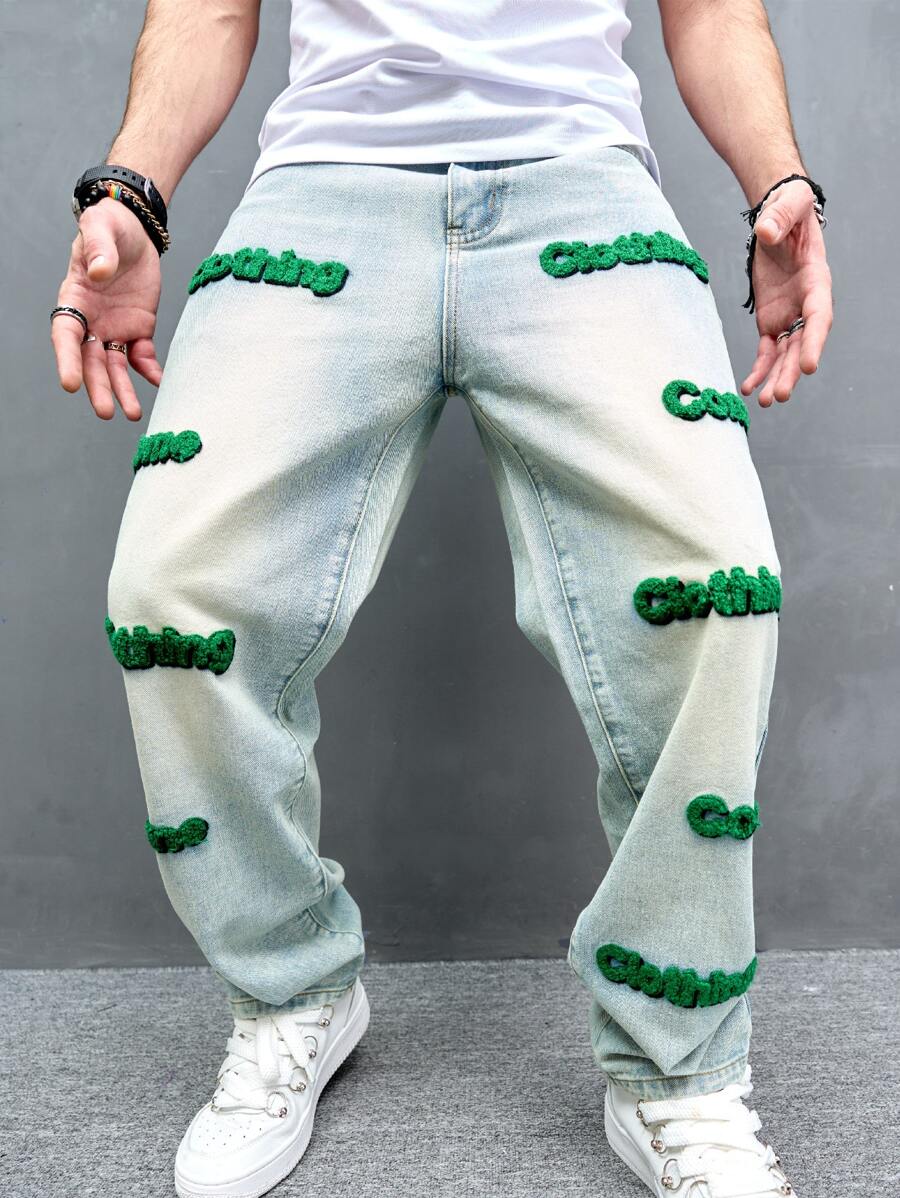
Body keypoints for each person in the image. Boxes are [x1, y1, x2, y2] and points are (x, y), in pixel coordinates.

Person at [51, 2, 832, 1196]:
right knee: (174, 593)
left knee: (713, 583)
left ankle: (678, 1067)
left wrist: (779, 182)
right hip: (326, 179)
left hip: (580, 175)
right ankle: (288, 990)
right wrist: (132, 192)